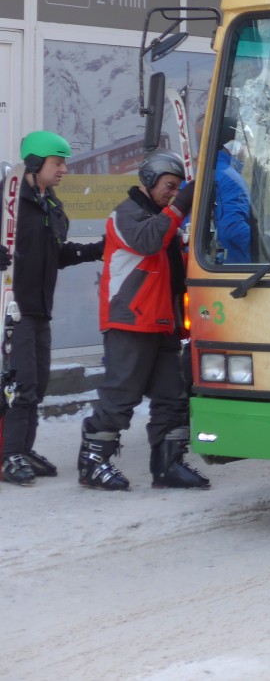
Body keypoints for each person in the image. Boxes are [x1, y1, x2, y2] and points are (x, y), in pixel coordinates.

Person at [78, 149, 210, 491]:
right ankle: (94, 461)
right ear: (149, 182)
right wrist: (180, 205)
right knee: (121, 394)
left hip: (163, 321)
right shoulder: (126, 215)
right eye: (168, 185)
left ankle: (167, 465)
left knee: (172, 395)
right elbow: (149, 241)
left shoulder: (163, 217)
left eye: (178, 187)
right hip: (130, 321)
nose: (173, 192)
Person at [0, 131, 105, 487]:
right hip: (14, 311)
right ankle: (8, 454)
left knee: (38, 384)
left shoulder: (52, 206)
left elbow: (56, 255)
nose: (63, 169)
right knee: (22, 385)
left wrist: (96, 249)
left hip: (41, 309)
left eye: (64, 163)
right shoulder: (10, 204)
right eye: (57, 163)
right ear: (34, 164)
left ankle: (22, 449)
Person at [212, 115, 253, 263]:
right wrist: (262, 245)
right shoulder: (230, 178)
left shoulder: (204, 172)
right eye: (245, 145)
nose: (246, 152)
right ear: (233, 146)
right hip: (232, 267)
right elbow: (232, 228)